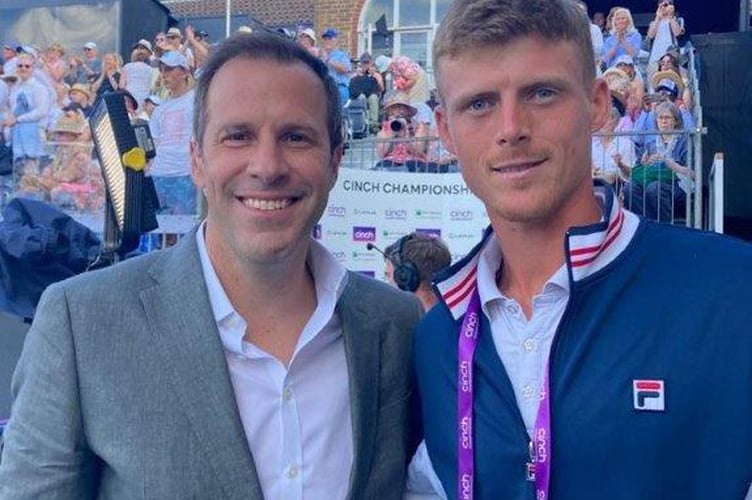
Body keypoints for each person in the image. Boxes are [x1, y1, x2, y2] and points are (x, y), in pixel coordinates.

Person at [0, 32, 423, 499]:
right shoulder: (82, 321)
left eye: (296, 137)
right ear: (198, 161)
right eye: (237, 136)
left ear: (335, 162)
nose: (267, 166)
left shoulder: (395, 325)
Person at [407, 0, 752, 499]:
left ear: (596, 104)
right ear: (445, 131)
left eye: (542, 93)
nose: (510, 128)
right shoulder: (439, 337)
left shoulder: (732, 291)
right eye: (479, 104)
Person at [148, 50, 195, 215]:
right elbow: (155, 143)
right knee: (159, 230)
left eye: (169, 69)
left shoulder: (196, 101)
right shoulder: (160, 109)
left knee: (184, 226)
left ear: (184, 72)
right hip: (159, 174)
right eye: (162, 70)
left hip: (185, 174)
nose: (164, 75)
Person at [383, 233, 451, 311]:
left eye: (388, 275)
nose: (386, 283)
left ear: (405, 277)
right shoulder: (463, 319)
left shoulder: (396, 321)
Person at [373, 91, 430, 172]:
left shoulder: (418, 126)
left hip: (414, 162)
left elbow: (418, 151)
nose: (399, 110)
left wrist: (406, 134)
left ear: (408, 110)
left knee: (412, 166)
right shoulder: (385, 128)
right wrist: (392, 132)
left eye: (402, 107)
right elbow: (382, 153)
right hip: (390, 162)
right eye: (395, 107)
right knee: (382, 167)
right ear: (390, 111)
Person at [319, 28, 352, 107]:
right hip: (324, 89)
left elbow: (344, 69)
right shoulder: (320, 56)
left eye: (330, 38)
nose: (327, 41)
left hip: (339, 88)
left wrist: (328, 60)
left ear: (336, 40)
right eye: (325, 39)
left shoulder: (342, 55)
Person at [646, 0, 684, 67]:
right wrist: (658, 16)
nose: (663, 7)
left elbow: (677, 33)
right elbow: (650, 35)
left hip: (671, 54)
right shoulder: (654, 22)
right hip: (656, 55)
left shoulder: (677, 20)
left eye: (666, 4)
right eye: (661, 3)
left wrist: (670, 16)